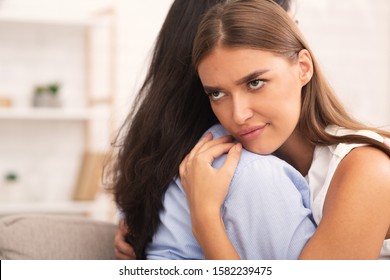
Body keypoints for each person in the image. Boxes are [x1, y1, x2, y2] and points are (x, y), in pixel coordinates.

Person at [179, 0, 390, 259]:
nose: (238, 115)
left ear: (303, 68)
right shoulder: (251, 166)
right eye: (217, 93)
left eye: (255, 83)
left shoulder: (368, 170)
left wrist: (205, 219)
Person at [110, 0, 317, 260]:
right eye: (217, 92)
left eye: (255, 83)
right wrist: (204, 218)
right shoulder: (253, 173)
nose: (295, 31)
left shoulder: (158, 151)